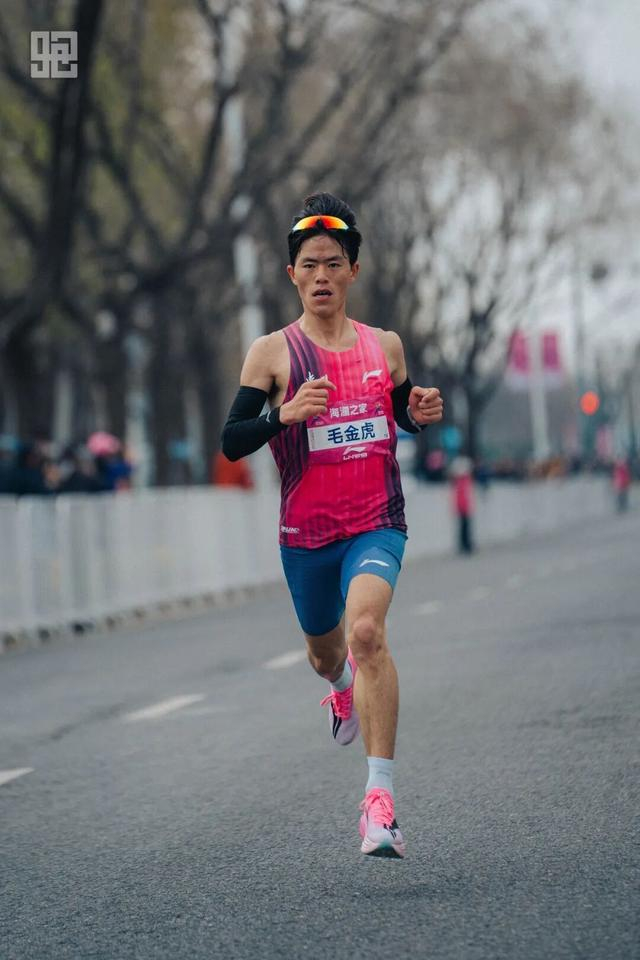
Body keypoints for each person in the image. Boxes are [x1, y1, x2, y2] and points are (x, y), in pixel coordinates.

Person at [221, 193, 443, 858]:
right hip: (306, 536)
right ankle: (341, 689)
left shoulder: (386, 345)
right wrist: (282, 417)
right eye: (310, 265)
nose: (322, 275)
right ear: (292, 274)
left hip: (377, 521)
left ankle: (380, 804)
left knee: (367, 632)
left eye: (334, 264)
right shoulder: (272, 353)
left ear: (352, 272)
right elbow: (232, 440)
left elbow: (398, 411)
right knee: (326, 654)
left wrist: (417, 413)